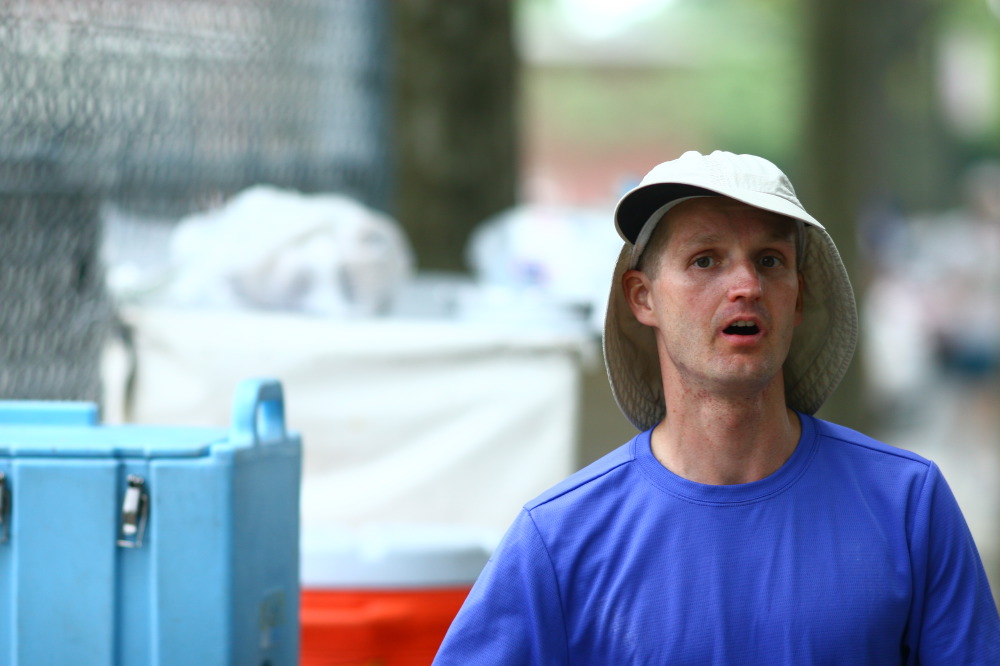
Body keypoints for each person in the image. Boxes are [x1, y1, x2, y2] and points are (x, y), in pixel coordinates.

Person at [432, 150, 1000, 664]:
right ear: (642, 298)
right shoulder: (561, 540)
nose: (747, 285)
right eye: (705, 261)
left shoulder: (907, 506)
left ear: (798, 297)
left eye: (770, 260)